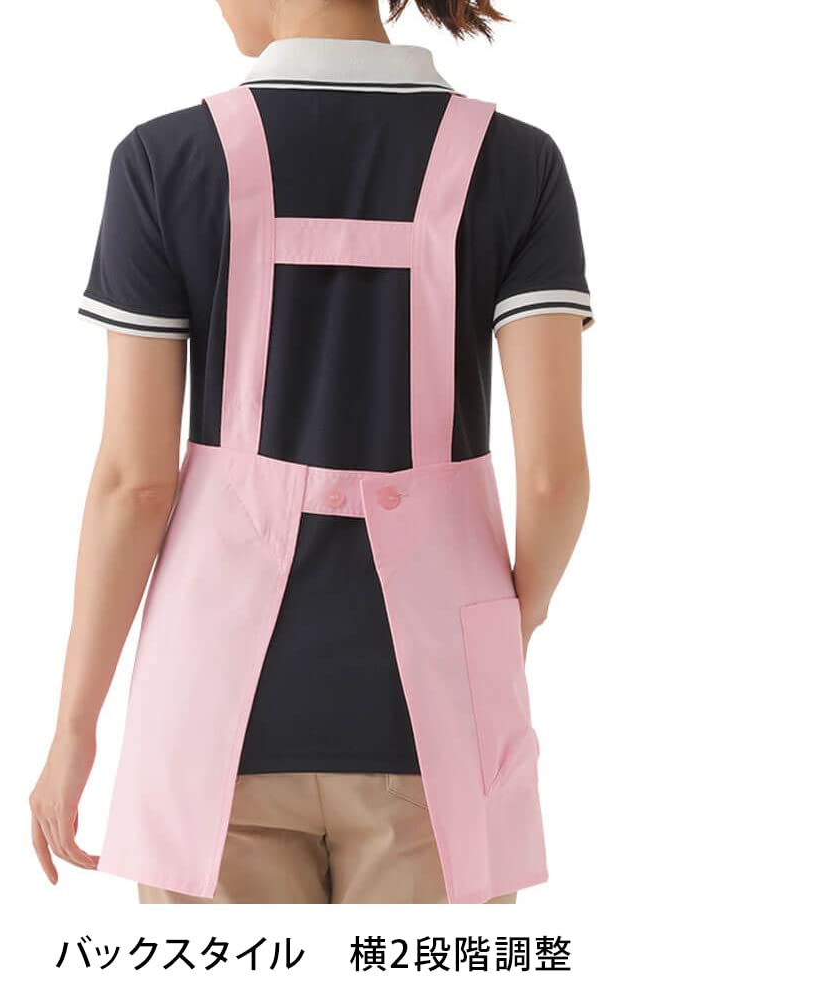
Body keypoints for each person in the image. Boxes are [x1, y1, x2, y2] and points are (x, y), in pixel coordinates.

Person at [29, 0, 593, 905]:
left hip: (210, 726)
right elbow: (556, 479)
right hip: (434, 729)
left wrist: (73, 727)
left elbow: (135, 485)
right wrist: (502, 634)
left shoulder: (164, 160)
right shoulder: (517, 162)